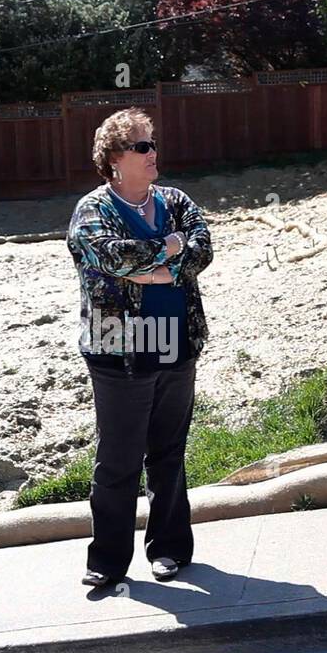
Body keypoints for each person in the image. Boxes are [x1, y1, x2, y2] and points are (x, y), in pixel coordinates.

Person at [65, 107, 214, 585]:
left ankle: (169, 549)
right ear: (114, 159)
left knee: (168, 453)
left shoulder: (174, 199)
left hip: (177, 341)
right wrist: (171, 248)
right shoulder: (92, 210)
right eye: (142, 146)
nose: (154, 153)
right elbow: (111, 254)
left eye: (153, 143)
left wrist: (157, 269)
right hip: (118, 348)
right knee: (118, 459)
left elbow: (203, 245)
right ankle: (107, 561)